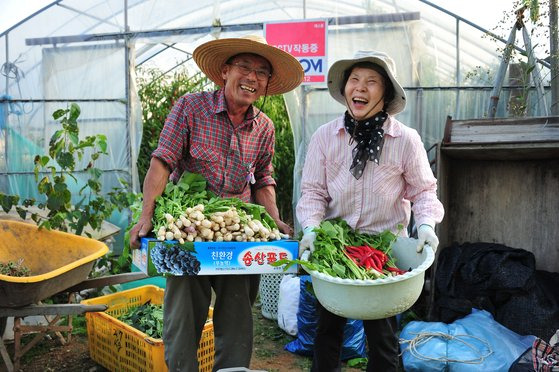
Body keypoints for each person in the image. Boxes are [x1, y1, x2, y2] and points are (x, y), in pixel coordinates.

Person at [129, 35, 304, 371]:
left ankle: (232, 368)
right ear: (225, 71)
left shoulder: (263, 127)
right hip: (189, 230)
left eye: (262, 73)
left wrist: (275, 222)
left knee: (238, 312)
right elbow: (163, 161)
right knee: (184, 313)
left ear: (267, 84)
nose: (252, 78)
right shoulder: (191, 107)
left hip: (236, 231)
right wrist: (147, 214)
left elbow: (263, 179)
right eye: (245, 67)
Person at [296, 50, 444, 371]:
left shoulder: (405, 140)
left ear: (386, 93)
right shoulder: (325, 137)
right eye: (354, 80)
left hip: (383, 255)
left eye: (371, 82)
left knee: (383, 338)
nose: (360, 88)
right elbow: (313, 193)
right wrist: (310, 228)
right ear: (345, 88)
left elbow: (423, 191)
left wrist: (427, 226)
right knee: (327, 331)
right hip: (335, 252)